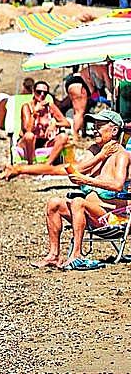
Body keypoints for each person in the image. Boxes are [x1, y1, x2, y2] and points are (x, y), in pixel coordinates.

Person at [34, 110, 130, 270]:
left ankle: (76, 255)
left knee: (78, 202)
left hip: (112, 215)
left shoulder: (122, 155)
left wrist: (86, 180)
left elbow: (117, 185)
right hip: (92, 213)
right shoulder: (94, 150)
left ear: (114, 131)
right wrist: (100, 157)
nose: (95, 129)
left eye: (100, 125)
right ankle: (53, 255)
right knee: (54, 203)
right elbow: (75, 170)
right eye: (95, 125)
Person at [18, 80, 71, 166]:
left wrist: (54, 124)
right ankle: (31, 165)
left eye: (45, 93)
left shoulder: (49, 107)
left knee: (63, 137)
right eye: (39, 92)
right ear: (33, 92)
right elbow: (27, 129)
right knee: (29, 136)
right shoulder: (27, 107)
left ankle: (46, 165)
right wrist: (35, 112)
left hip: (45, 141)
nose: (42, 95)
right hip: (28, 142)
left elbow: (67, 123)